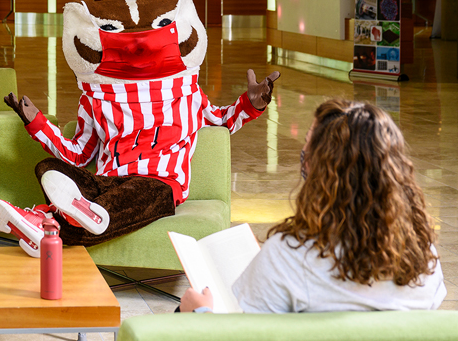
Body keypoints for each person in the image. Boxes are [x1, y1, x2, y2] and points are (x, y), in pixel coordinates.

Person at [181, 99, 446, 313]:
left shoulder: (290, 257)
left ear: (322, 169)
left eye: (310, 143)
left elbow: (241, 334)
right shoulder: (423, 255)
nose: (303, 150)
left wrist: (201, 313)